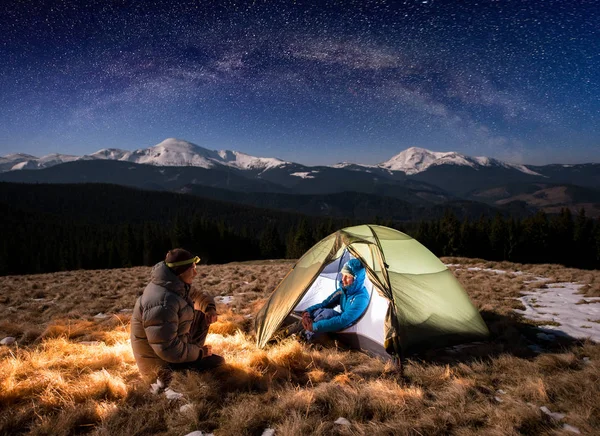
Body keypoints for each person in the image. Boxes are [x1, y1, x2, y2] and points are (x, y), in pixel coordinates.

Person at [130, 248, 224, 389]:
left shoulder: (173, 284)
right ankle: (180, 375)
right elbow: (168, 349)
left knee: (201, 316)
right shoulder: (163, 302)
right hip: (161, 367)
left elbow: (198, 296)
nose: (195, 272)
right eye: (192, 268)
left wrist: (209, 308)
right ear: (181, 271)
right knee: (218, 363)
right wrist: (199, 353)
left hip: (169, 354)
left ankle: (191, 355)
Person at [290, 258, 370, 342]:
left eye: (347, 277)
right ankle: (290, 332)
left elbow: (343, 321)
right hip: (339, 323)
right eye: (343, 275)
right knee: (317, 311)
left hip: (347, 330)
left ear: (356, 279)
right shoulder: (344, 290)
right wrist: (307, 312)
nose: (343, 279)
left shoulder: (361, 298)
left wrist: (314, 326)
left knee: (328, 313)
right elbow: (325, 304)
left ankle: (302, 340)